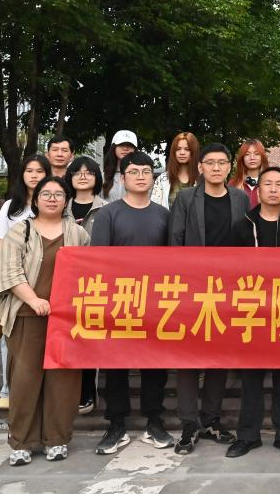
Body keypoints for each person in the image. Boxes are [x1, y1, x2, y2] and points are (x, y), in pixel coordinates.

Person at [0, 176, 90, 465]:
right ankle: (22, 441)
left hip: (66, 318)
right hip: (27, 315)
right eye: (46, 194)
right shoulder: (19, 231)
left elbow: (88, 273)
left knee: (64, 380)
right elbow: (10, 272)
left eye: (58, 194)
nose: (52, 199)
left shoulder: (78, 233)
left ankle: (57, 439)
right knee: (25, 378)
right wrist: (33, 299)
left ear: (66, 200)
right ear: (35, 200)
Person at [168, 143, 249, 455]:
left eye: (222, 162)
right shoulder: (187, 198)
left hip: (229, 290)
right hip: (192, 287)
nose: (216, 168)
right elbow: (175, 241)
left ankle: (212, 419)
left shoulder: (240, 198)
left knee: (219, 355)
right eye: (210, 163)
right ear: (200, 167)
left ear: (229, 167)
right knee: (188, 358)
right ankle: (189, 422)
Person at [91, 152, 174, 455]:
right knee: (116, 366)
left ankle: (154, 421)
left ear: (153, 177)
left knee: (155, 365)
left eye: (146, 171)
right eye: (134, 171)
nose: (141, 176)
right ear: (123, 177)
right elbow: (98, 261)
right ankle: (116, 425)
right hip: (119, 301)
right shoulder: (108, 214)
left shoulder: (164, 215)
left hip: (155, 302)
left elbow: (174, 261)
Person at [227, 167, 280, 458]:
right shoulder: (242, 226)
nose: (273, 189)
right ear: (257, 190)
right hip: (252, 310)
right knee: (251, 377)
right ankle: (248, 435)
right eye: (267, 184)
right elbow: (230, 270)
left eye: (278, 184)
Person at [0, 153, 50, 411]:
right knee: (10, 335)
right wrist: (19, 265)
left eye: (40, 171)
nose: (34, 176)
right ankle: (7, 389)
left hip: (46, 279)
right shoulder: (10, 207)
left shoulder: (53, 202)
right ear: (22, 175)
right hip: (14, 280)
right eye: (29, 171)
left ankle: (41, 390)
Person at [63, 155, 107, 415]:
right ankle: (62, 393)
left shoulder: (108, 209)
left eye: (89, 172)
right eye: (77, 172)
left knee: (88, 338)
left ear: (96, 178)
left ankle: (86, 392)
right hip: (63, 282)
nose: (82, 176)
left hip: (94, 284)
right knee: (65, 338)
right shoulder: (59, 206)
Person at [152, 132, 199, 209]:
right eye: (178, 149)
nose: (182, 153)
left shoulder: (202, 179)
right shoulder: (162, 179)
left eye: (187, 149)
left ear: (194, 151)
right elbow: (155, 208)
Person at [228, 139, 268, 208]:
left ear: (262, 157)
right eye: (247, 154)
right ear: (242, 158)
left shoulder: (270, 183)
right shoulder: (233, 184)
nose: (252, 158)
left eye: (256, 154)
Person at [102, 129, 138, 202]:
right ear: (114, 147)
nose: (125, 148)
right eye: (121, 145)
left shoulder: (142, 176)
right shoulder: (102, 176)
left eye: (130, 145)